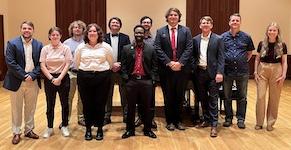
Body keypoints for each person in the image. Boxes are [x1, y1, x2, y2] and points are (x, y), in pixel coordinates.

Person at [3, 21, 43, 145]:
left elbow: (40, 63)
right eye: (24, 28)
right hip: (16, 81)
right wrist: (25, 75)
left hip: (33, 81)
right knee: (16, 108)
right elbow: (10, 63)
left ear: (33, 30)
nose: (26, 30)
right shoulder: (12, 43)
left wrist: (32, 75)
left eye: (29, 28)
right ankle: (16, 132)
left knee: (31, 108)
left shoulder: (38, 44)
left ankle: (29, 130)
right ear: (21, 29)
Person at [154, 8, 193, 131]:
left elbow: (189, 48)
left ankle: (179, 120)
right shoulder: (160, 31)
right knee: (168, 96)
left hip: (182, 70)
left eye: (175, 15)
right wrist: (169, 62)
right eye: (170, 15)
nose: (173, 17)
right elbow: (157, 48)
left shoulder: (186, 31)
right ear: (167, 17)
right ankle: (170, 121)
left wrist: (180, 63)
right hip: (167, 70)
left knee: (180, 96)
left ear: (178, 17)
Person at [75, 23, 113, 141]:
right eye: (90, 31)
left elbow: (110, 62)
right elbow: (77, 63)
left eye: (94, 31)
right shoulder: (81, 47)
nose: (92, 33)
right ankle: (88, 130)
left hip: (102, 77)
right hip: (84, 77)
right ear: (87, 34)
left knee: (100, 103)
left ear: (98, 33)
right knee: (87, 104)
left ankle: (100, 129)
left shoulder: (106, 47)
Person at [121, 25, 158, 139]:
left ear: (144, 34)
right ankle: (130, 130)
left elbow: (154, 66)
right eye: (137, 33)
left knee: (147, 107)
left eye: (141, 33)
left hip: (146, 81)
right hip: (131, 82)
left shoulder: (151, 49)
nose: (139, 35)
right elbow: (123, 65)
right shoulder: (126, 48)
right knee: (130, 107)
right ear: (134, 33)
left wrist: (152, 79)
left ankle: (147, 130)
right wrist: (126, 78)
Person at [192, 16, 224, 137]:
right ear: (200, 25)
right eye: (203, 23)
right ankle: (206, 119)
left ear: (211, 25)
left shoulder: (218, 39)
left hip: (213, 74)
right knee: (202, 98)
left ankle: (214, 125)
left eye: (208, 23)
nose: (205, 25)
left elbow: (221, 57)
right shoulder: (195, 39)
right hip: (199, 73)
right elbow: (193, 56)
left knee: (213, 99)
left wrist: (220, 72)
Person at [221, 13, 255, 129]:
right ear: (229, 22)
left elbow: (250, 53)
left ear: (240, 22)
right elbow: (220, 53)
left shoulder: (247, 37)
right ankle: (228, 118)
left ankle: (241, 119)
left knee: (242, 97)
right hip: (227, 71)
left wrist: (242, 60)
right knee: (227, 96)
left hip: (242, 72)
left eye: (237, 20)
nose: (235, 22)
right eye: (233, 20)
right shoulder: (223, 37)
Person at [254, 22, 288, 131]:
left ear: (278, 32)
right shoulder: (261, 44)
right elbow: (257, 59)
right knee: (260, 97)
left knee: (274, 98)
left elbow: (284, 62)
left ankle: (270, 123)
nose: (272, 32)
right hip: (263, 69)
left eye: (274, 30)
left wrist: (283, 75)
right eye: (270, 30)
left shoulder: (282, 45)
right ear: (267, 32)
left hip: (277, 70)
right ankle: (259, 122)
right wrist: (255, 72)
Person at [40, 27, 72, 138]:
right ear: (49, 36)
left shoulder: (66, 48)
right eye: (52, 35)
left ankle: (65, 125)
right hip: (49, 79)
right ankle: (49, 127)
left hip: (63, 78)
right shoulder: (45, 49)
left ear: (60, 36)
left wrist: (59, 78)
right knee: (50, 104)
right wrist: (51, 79)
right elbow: (42, 65)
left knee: (65, 104)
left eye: (57, 35)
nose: (55, 37)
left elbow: (68, 64)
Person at [104, 17, 130, 125]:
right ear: (109, 25)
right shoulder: (104, 37)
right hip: (107, 70)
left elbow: (128, 53)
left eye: (117, 22)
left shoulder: (125, 37)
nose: (115, 24)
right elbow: (101, 53)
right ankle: (106, 116)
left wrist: (120, 64)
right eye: (113, 22)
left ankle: (126, 115)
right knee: (107, 94)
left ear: (120, 25)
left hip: (121, 69)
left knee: (124, 94)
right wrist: (111, 65)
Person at [135, 16, 157, 129]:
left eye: (148, 22)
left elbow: (156, 57)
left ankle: (150, 119)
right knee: (138, 98)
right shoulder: (134, 39)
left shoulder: (155, 39)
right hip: (138, 73)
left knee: (150, 98)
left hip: (149, 74)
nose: (146, 24)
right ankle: (139, 117)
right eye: (144, 22)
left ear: (151, 25)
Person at [63, 20, 86, 127]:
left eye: (79, 27)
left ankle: (81, 118)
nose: (77, 29)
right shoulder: (66, 43)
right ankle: (66, 119)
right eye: (75, 27)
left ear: (83, 30)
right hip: (71, 73)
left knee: (82, 97)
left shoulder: (86, 42)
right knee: (68, 97)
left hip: (83, 73)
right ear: (71, 29)